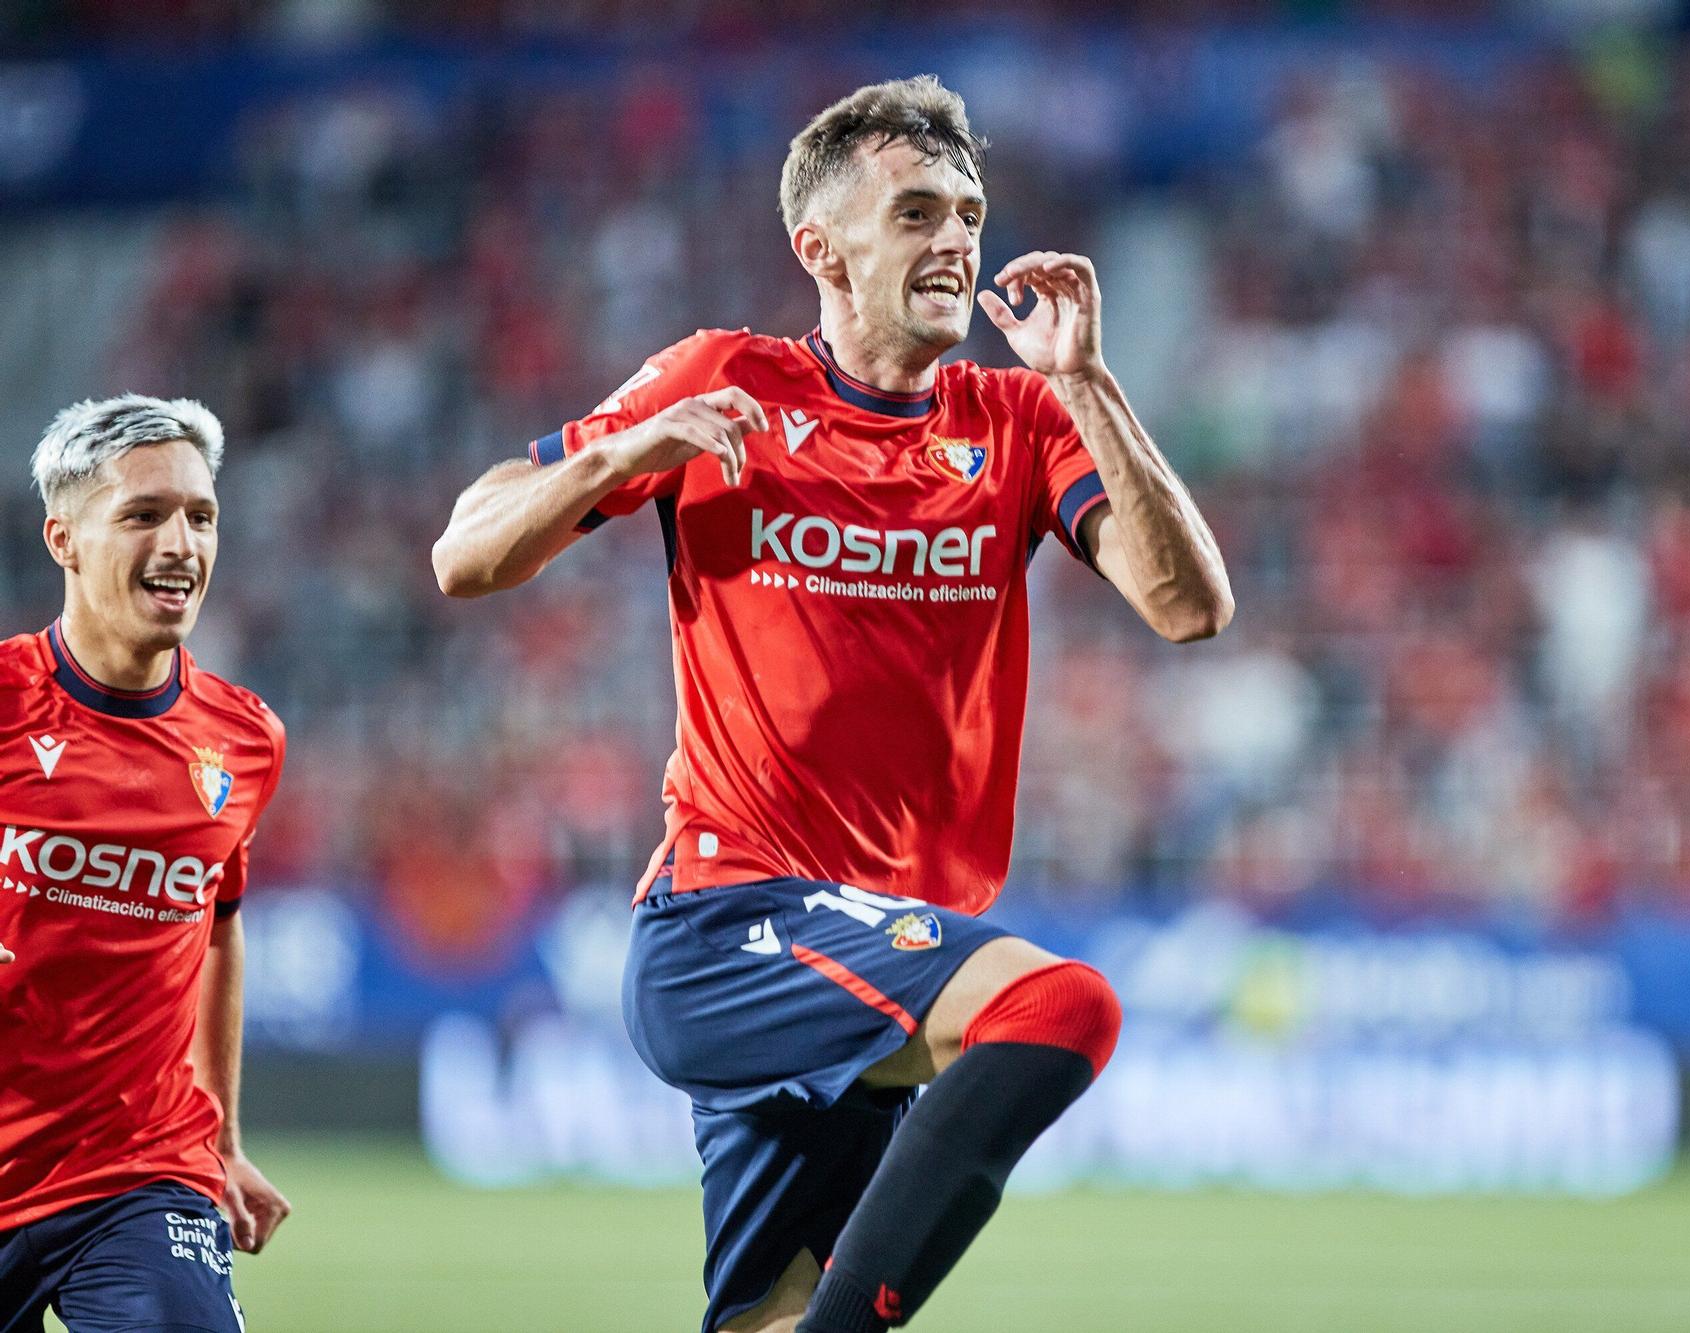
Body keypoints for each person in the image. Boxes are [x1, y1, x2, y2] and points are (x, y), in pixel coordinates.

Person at [433, 75, 1231, 1332]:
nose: (955, 239)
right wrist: (625, 450)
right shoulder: (724, 380)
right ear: (821, 250)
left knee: (766, 1317)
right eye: (915, 213)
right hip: (727, 923)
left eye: (967, 213)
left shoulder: (1019, 420)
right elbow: (463, 554)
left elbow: (1188, 607)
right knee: (1058, 1004)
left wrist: (1086, 382)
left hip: (874, 958)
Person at [0, 395, 291, 1333]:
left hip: (139, 1174)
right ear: (64, 540)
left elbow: (219, 926)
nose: (180, 544)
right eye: (143, 515)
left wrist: (224, 1138)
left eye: (201, 516)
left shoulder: (245, 739)